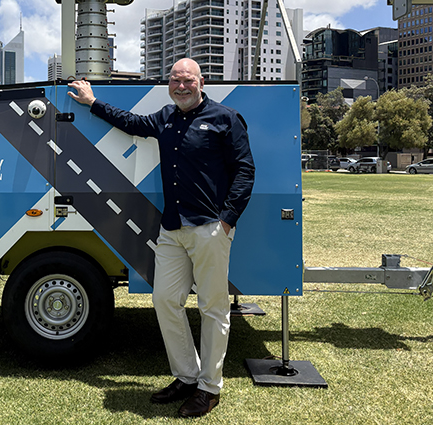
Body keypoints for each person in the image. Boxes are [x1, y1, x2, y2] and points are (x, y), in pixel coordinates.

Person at [68, 58, 255, 418]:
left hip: (209, 228)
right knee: (165, 300)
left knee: (213, 308)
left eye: (187, 80)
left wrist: (227, 220)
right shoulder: (166, 117)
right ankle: (186, 376)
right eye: (175, 80)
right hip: (172, 229)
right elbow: (132, 123)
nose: (181, 86)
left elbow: (245, 170)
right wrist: (93, 103)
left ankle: (209, 388)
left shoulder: (225, 118)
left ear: (201, 82)